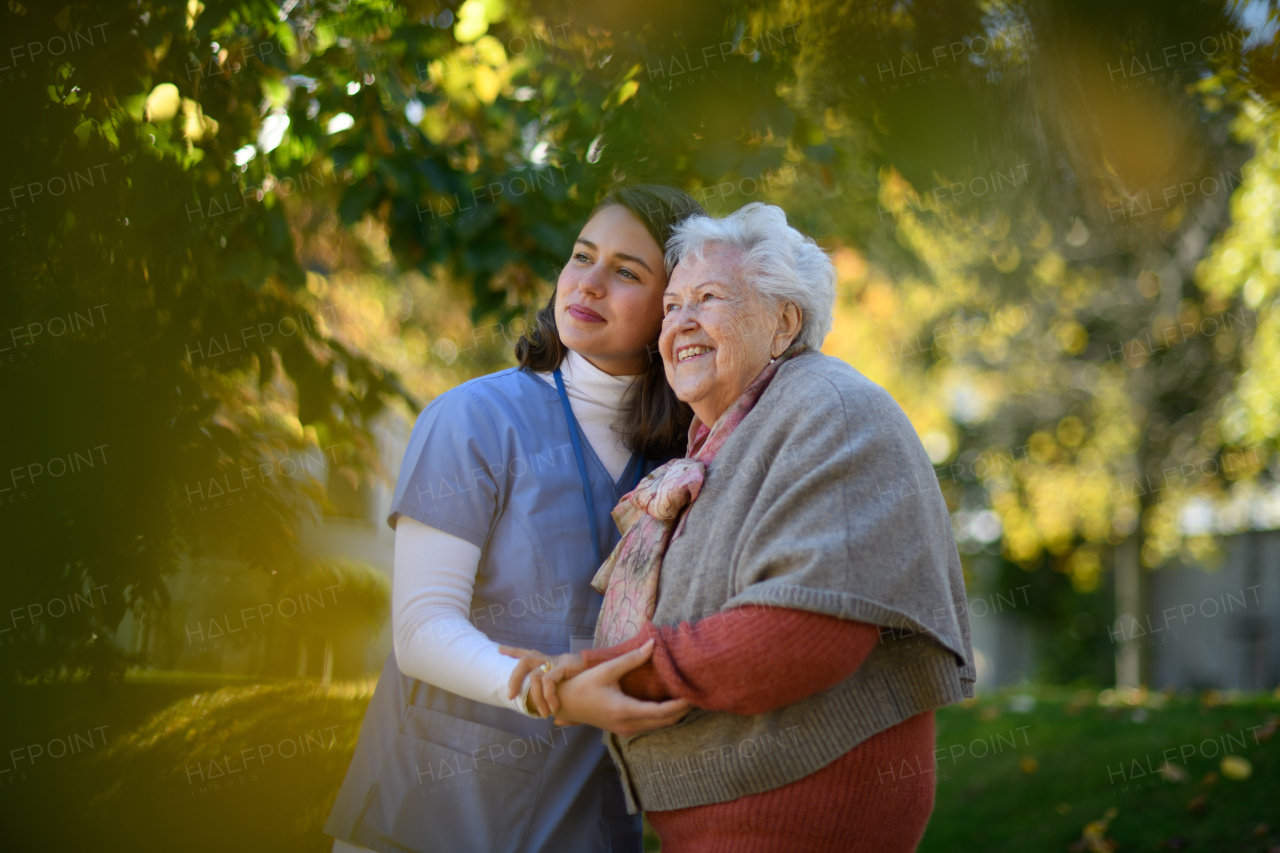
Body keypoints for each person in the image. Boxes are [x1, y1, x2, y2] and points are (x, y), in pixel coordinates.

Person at [522, 202, 976, 853]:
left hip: (802, 812)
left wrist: (603, 675)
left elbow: (800, 632)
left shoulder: (830, 409)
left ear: (784, 321)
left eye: (707, 298)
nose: (680, 322)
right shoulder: (720, 437)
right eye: (672, 305)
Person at [323, 185, 705, 853]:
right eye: (582, 256)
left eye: (626, 272)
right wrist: (544, 692)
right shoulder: (473, 420)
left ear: (672, 307)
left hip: (584, 820)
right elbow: (419, 628)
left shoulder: (682, 463)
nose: (587, 283)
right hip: (425, 818)